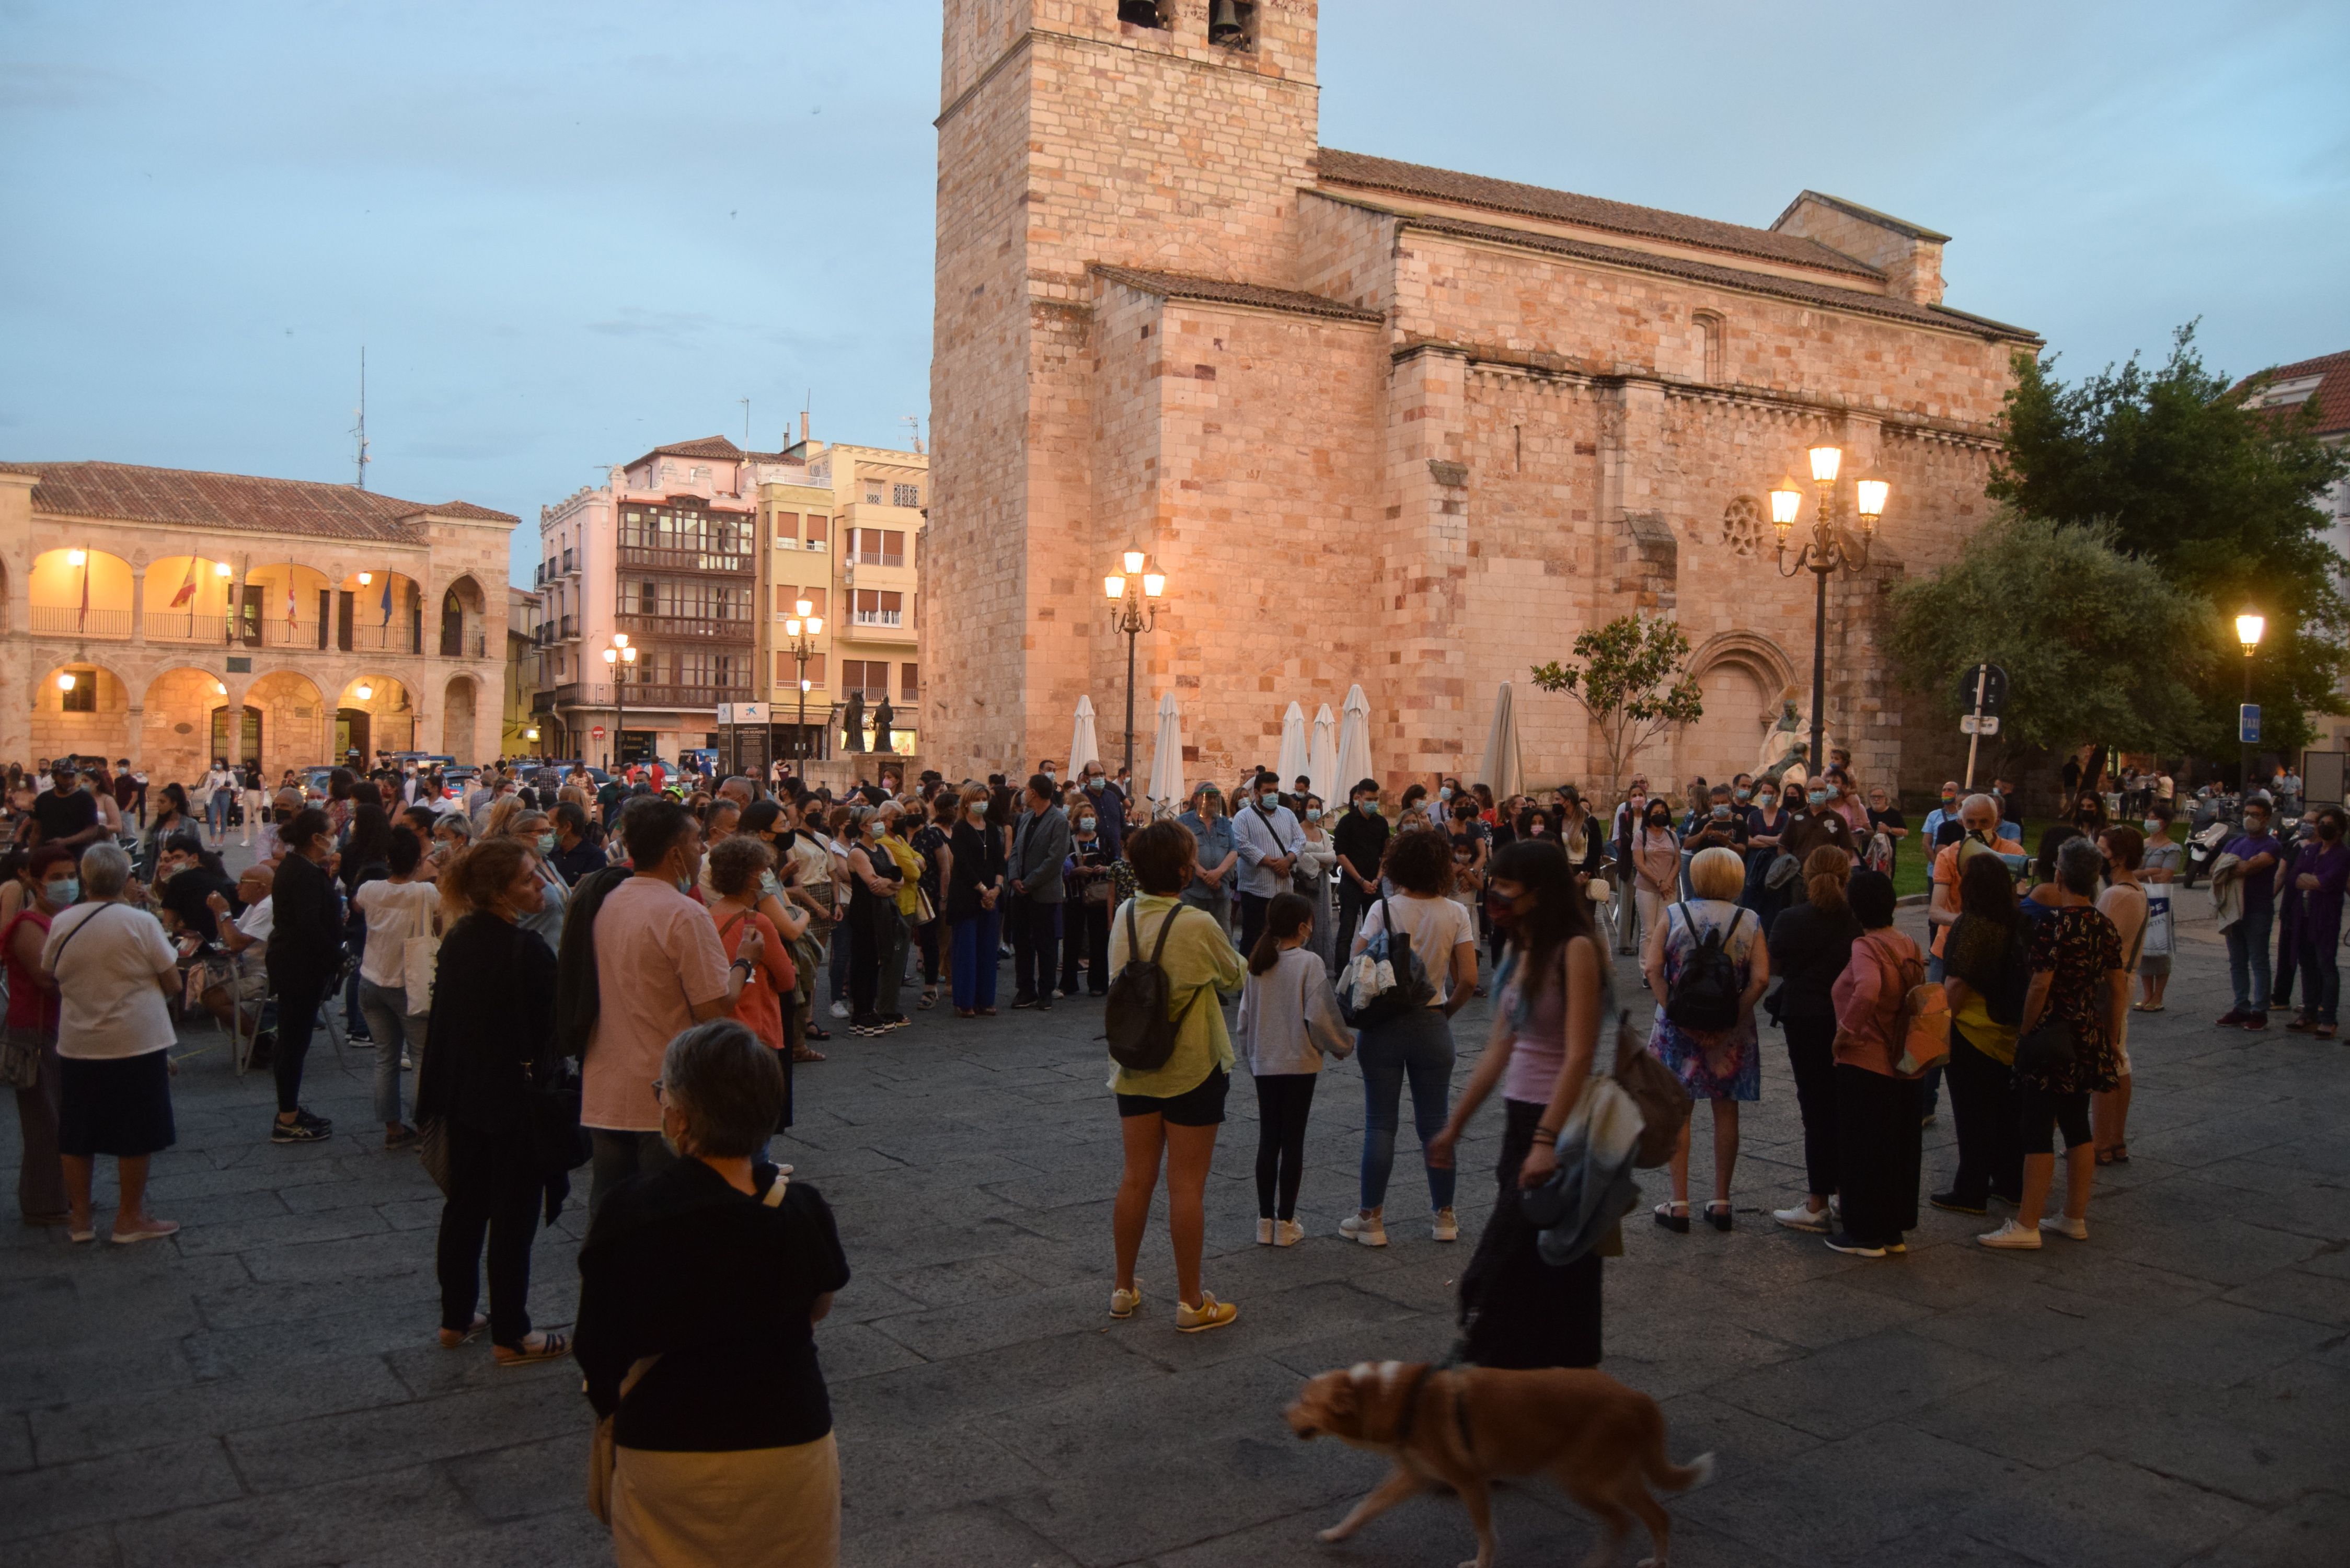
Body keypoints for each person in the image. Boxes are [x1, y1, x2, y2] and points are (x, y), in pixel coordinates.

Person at [575, 1021, 848, 1568]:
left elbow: (598, 1344)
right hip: (789, 1439)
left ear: (679, 1116)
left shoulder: (630, 1212)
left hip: (666, 1444)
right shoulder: (801, 1210)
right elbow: (817, 1307)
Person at [1426, 837, 1610, 1368]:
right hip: (1521, 1119)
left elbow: (1578, 1054)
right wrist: (1454, 1126)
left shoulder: (1575, 949)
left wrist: (1546, 1141)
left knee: (1524, 1260)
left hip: (1562, 1123)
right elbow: (1501, 1046)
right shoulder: (1521, 950)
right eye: (1496, 883)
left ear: (1540, 891)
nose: (1495, 895)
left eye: (1507, 886)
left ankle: (1549, 1370)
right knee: (1526, 1256)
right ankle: (1521, 1368)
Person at [416, 836, 568, 1364]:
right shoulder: (524, 949)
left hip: (462, 1095)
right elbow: (554, 1029)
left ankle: (455, 1318)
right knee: (513, 1217)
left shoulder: (460, 937)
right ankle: (512, 1332)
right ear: (502, 892)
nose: (541, 886)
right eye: (529, 879)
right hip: (511, 1101)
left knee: (464, 1207)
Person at [580, 798, 758, 1215]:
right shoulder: (684, 914)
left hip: (606, 1084)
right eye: (698, 841)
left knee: (609, 1211)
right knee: (666, 1217)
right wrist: (745, 962)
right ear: (675, 852)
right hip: (664, 1089)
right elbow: (715, 1006)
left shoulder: (608, 900)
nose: (703, 851)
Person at [1107, 821, 1247, 1332]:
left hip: (1133, 1064)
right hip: (1191, 1065)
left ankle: (1123, 1287)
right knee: (1186, 1185)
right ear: (1185, 869)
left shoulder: (1123, 916)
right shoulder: (1196, 924)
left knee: (1134, 1177)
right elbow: (1234, 974)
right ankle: (1190, 1301)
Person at [1980, 837, 2124, 1250]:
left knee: (2038, 1128)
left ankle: (2027, 1223)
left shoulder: (2055, 925)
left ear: (2059, 875)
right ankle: (2073, 1215)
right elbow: (2116, 988)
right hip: (2086, 1032)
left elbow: (2040, 984)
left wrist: (2026, 1031)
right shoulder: (2103, 925)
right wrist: (2111, 1038)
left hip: (2052, 1034)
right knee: (2078, 1124)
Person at [1342, 828, 1479, 1248]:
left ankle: (1372, 1218)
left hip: (1384, 1025)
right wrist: (1443, 1013)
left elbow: (1355, 963)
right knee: (1436, 1123)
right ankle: (1444, 1216)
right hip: (1432, 1022)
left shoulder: (1383, 910)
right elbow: (1469, 980)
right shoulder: (1456, 913)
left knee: (1380, 1123)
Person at [43, 843, 180, 1244]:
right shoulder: (140, 923)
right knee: (136, 1129)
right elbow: (172, 982)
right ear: (125, 878)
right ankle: (129, 1216)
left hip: (79, 1039)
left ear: (85, 879)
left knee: (77, 1131)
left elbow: (50, 972)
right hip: (136, 1039)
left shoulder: (63, 922)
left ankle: (81, 1220)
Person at [1642, 845, 1768, 1233]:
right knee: (1726, 1110)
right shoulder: (1750, 920)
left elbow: (1653, 968)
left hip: (1678, 1028)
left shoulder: (1675, 915)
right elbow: (1762, 977)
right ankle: (1721, 1201)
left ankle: (1678, 1202)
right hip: (1731, 1033)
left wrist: (1676, 1015)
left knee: (1680, 1110)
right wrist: (1734, 1017)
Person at [1235, 891, 1350, 1246]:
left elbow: (1243, 1021)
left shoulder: (1257, 963)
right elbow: (1320, 1017)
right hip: (1299, 1061)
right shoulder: (1309, 963)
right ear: (1303, 927)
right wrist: (1342, 1045)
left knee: (1268, 1138)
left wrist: (1251, 1054)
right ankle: (1286, 1220)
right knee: (1293, 1139)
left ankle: (1264, 1220)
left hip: (1264, 1060)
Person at [1823, 870, 1925, 1257]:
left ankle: (1864, 1232)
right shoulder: (1909, 943)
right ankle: (1892, 1228)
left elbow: (1867, 989)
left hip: (1867, 1060)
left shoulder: (1866, 946)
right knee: (1897, 1147)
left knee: (1862, 1147)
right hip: (1905, 1060)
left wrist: (1845, 1032)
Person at [1766, 846, 1860, 1233]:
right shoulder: (1855, 921)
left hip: (1803, 1015)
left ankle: (1817, 1201)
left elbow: (1777, 964)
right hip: (1847, 1018)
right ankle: (1841, 1192)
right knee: (1843, 1106)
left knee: (1815, 1107)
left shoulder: (1790, 919)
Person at [1933, 854, 2028, 1216]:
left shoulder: (1973, 925)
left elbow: (1957, 982)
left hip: (1973, 1030)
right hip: (2007, 1029)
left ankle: (1970, 1189)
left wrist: (1939, 1026)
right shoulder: (2017, 920)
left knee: (1972, 1114)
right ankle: (2010, 1183)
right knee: (2005, 1112)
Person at [352, 826, 441, 1150]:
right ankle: (423, 1125)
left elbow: (357, 906)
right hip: (409, 984)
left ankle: (392, 1127)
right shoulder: (425, 893)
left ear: (388, 859)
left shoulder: (370, 889)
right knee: (420, 1058)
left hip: (371, 979)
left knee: (385, 1058)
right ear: (418, 861)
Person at [706, 835, 799, 1133]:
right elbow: (786, 979)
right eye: (763, 871)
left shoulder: (705, 916)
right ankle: (757, 1166)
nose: (768, 876)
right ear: (751, 878)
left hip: (717, 1023)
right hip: (756, 1024)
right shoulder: (757, 922)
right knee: (755, 1108)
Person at [5, 845, 77, 1225]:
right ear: (35, 881)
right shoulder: (28, 926)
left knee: (62, 1118)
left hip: (61, 1030)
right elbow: (48, 981)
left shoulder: (64, 918)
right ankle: (44, 1202)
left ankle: (63, 1196)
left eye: (71, 875)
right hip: (34, 1033)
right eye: (58, 877)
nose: (67, 884)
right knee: (44, 1124)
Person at [266, 808, 344, 1145]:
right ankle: (287, 1118)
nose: (335, 835)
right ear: (316, 839)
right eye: (331, 831)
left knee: (294, 1040)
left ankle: (291, 1110)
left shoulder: (302, 867)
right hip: (299, 966)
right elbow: (308, 926)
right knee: (294, 1042)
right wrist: (339, 955)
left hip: (296, 963)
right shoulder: (303, 874)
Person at [2093, 825, 2152, 1167]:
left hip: (2110, 984)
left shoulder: (2118, 895)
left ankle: (2102, 1141)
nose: (2099, 855)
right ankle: (2115, 1140)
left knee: (2107, 1060)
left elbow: (2099, 944)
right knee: (2120, 1058)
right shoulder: (2130, 891)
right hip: (2121, 981)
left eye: (2103, 849)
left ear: (2120, 856)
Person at [2283, 807, 2350, 1041]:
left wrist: (2311, 881)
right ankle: (2309, 1011)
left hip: (2325, 918)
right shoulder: (2310, 850)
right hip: (2303, 916)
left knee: (2326, 966)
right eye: (2321, 822)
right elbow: (2295, 878)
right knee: (2307, 964)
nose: (2323, 827)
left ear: (2340, 829)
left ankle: (2328, 1018)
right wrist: (2312, 882)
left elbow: (2330, 881)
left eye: (2329, 823)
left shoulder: (2343, 854)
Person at [2216, 796, 2282, 1029]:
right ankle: (2241, 1006)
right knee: (2237, 961)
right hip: (2234, 910)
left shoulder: (2271, 845)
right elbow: (2218, 868)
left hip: (2258, 910)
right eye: (2246, 814)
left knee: (2259, 961)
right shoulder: (2235, 843)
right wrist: (2238, 866)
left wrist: (2236, 866)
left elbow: (2247, 867)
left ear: (2265, 818)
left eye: (2254, 815)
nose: (2249, 819)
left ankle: (2259, 1011)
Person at [1007, 774, 1070, 1011]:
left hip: (1043, 893)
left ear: (1033, 793)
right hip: (1020, 892)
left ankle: (1046, 991)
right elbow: (1015, 850)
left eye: (1026, 789)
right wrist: (1014, 877)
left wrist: (1030, 882)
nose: (1024, 792)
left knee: (1046, 944)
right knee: (1022, 943)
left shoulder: (1059, 821)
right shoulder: (1025, 818)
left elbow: (1055, 859)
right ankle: (1025, 989)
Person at [842, 810, 904, 1037]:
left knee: (877, 959)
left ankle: (871, 1007)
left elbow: (900, 880)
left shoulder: (884, 848)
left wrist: (889, 882)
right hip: (865, 911)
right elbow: (872, 884)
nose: (880, 824)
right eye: (875, 821)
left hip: (884, 911)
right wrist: (892, 883)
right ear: (863, 827)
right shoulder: (858, 852)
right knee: (864, 960)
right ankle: (861, 1012)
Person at [1232, 770, 1306, 958]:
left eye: (1276, 791)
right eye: (1268, 791)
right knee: (1253, 937)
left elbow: (1300, 840)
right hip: (1256, 888)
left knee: (1282, 936)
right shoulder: (1244, 817)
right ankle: (1249, 978)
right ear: (1256, 793)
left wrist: (1288, 860)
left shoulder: (1288, 815)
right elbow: (1242, 844)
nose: (1273, 795)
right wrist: (1271, 863)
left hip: (1283, 889)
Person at [946, 787, 1005, 1018]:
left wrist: (997, 889)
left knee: (988, 950)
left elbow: (1000, 861)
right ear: (967, 803)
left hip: (991, 894)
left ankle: (985, 999)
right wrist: (982, 890)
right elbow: (962, 863)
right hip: (967, 895)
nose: (981, 804)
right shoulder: (960, 829)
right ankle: (965, 1001)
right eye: (977, 800)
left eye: (984, 800)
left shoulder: (991, 828)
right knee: (967, 950)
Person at [1061, 799, 1115, 997]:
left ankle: (1098, 983)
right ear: (1077, 820)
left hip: (1098, 897)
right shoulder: (1069, 841)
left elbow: (1114, 865)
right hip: (1075, 896)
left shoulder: (1104, 841)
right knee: (1072, 939)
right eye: (1085, 816)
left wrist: (1105, 869)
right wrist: (1075, 871)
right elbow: (1062, 867)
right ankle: (1068, 982)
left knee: (1098, 940)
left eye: (1092, 816)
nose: (1089, 820)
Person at [1331, 779, 1390, 961]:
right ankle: (1342, 974)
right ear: (1359, 797)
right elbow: (1340, 855)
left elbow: (1386, 854)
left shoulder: (1381, 823)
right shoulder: (1347, 822)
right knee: (1346, 932)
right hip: (1352, 884)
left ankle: (1373, 970)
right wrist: (1360, 880)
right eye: (1369, 799)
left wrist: (1378, 879)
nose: (1373, 803)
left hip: (1374, 884)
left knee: (1378, 931)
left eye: (1376, 799)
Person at [1174, 781, 1239, 945]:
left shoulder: (1224, 823)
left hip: (1221, 893)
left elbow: (1234, 851)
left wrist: (1219, 873)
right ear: (1196, 799)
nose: (1212, 801)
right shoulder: (1183, 822)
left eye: (1214, 797)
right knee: (1192, 939)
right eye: (1208, 797)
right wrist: (1204, 874)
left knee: (1223, 939)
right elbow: (1182, 852)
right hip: (1194, 893)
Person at [909, 794, 955, 1009]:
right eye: (907, 812)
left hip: (928, 895)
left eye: (916, 812)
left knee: (930, 942)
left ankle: (930, 987)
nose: (912, 816)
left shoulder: (932, 836)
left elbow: (945, 869)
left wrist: (944, 898)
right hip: (902, 898)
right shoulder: (897, 836)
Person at [2135, 802, 2181, 1012]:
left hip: (2160, 900)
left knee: (2160, 945)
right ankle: (2146, 994)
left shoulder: (2172, 848)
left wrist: (2144, 873)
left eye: (2154, 818)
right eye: (2148, 817)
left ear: (2164, 822)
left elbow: (2165, 876)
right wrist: (2149, 871)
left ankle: (2158, 995)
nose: (2150, 821)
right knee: (2143, 946)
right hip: (2140, 897)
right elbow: (2131, 871)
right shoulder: (2141, 844)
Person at [1628, 796, 1680, 957]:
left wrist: (1668, 882)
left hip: (1669, 889)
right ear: (1649, 815)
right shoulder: (1641, 836)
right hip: (1647, 888)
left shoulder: (1672, 836)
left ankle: (1662, 968)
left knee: (1664, 930)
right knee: (1649, 931)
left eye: (1663, 812)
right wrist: (1659, 882)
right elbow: (1640, 864)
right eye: (1656, 812)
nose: (1660, 815)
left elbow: (1677, 861)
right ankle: (1646, 971)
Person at [1864, 784, 1909, 877]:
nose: (1876, 799)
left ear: (1885, 798)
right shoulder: (1866, 813)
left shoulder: (1894, 814)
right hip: (1868, 855)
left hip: (1886, 858)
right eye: (1873, 797)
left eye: (1879, 797)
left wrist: (1889, 830)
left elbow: (1905, 832)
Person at [200, 758, 238, 848]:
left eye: (219, 763)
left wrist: (226, 787)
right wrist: (212, 784)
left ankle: (221, 839)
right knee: (212, 818)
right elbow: (207, 787)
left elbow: (235, 786)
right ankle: (213, 840)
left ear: (223, 765)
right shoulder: (212, 774)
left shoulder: (229, 774)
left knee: (224, 818)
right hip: (214, 795)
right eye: (216, 763)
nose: (217, 765)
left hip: (224, 795)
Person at [1920, 781, 1964, 850]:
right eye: (1944, 790)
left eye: (1950, 790)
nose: (1946, 792)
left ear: (1958, 795)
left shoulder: (1963, 815)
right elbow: (1926, 843)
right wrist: (1935, 860)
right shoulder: (1934, 815)